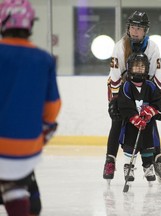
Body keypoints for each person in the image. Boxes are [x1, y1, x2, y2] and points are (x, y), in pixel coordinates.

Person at [0, 0, 61, 215]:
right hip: (25, 152)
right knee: (18, 188)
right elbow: (52, 107)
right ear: (30, 25)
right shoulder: (44, 59)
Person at [103, 10, 161, 183]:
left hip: (144, 88)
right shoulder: (120, 46)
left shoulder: (153, 48)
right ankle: (110, 160)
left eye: (139, 28)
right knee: (117, 121)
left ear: (145, 30)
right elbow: (115, 75)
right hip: (124, 89)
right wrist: (114, 102)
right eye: (132, 27)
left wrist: (156, 104)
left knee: (150, 122)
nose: (135, 31)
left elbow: (156, 77)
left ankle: (158, 161)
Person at [117, 52, 161, 183]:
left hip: (147, 125)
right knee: (129, 144)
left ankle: (148, 167)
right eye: (136, 66)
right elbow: (124, 105)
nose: (139, 68)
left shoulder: (151, 86)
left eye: (141, 66)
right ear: (129, 68)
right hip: (130, 125)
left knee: (148, 145)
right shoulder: (126, 86)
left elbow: (160, 107)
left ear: (146, 68)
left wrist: (152, 110)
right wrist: (133, 117)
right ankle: (128, 167)